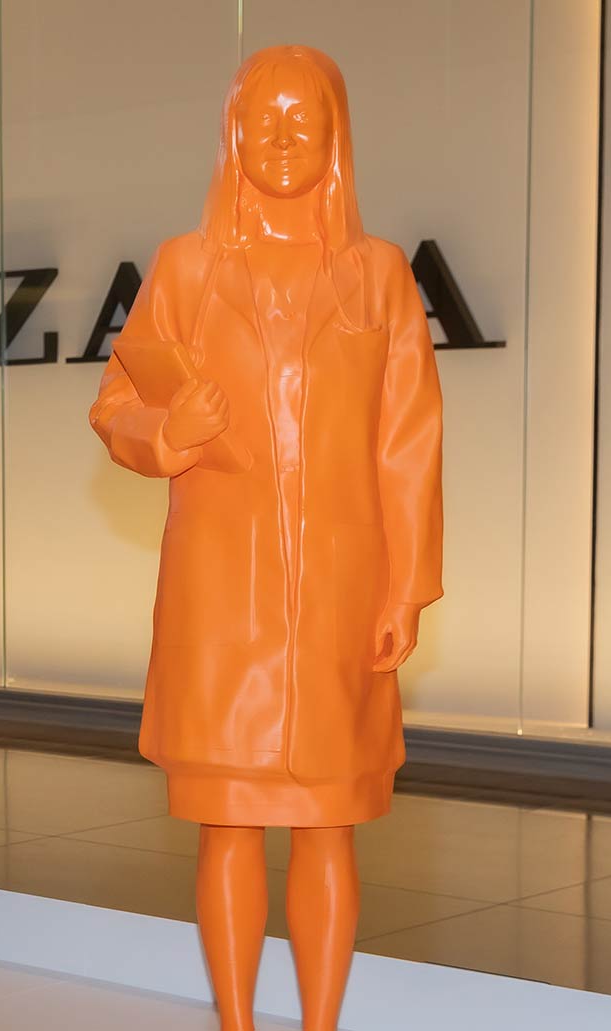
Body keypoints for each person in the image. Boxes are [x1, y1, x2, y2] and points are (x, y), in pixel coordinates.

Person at [90, 46, 443, 1031]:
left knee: (330, 822)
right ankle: (237, 1021)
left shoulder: (375, 277)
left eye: (305, 115)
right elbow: (116, 401)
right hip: (220, 599)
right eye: (263, 114)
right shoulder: (186, 268)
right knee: (228, 820)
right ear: (230, 133)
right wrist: (168, 432)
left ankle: (320, 1021)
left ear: (337, 137)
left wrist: (404, 585)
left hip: (339, 587)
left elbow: (407, 442)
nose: (283, 133)